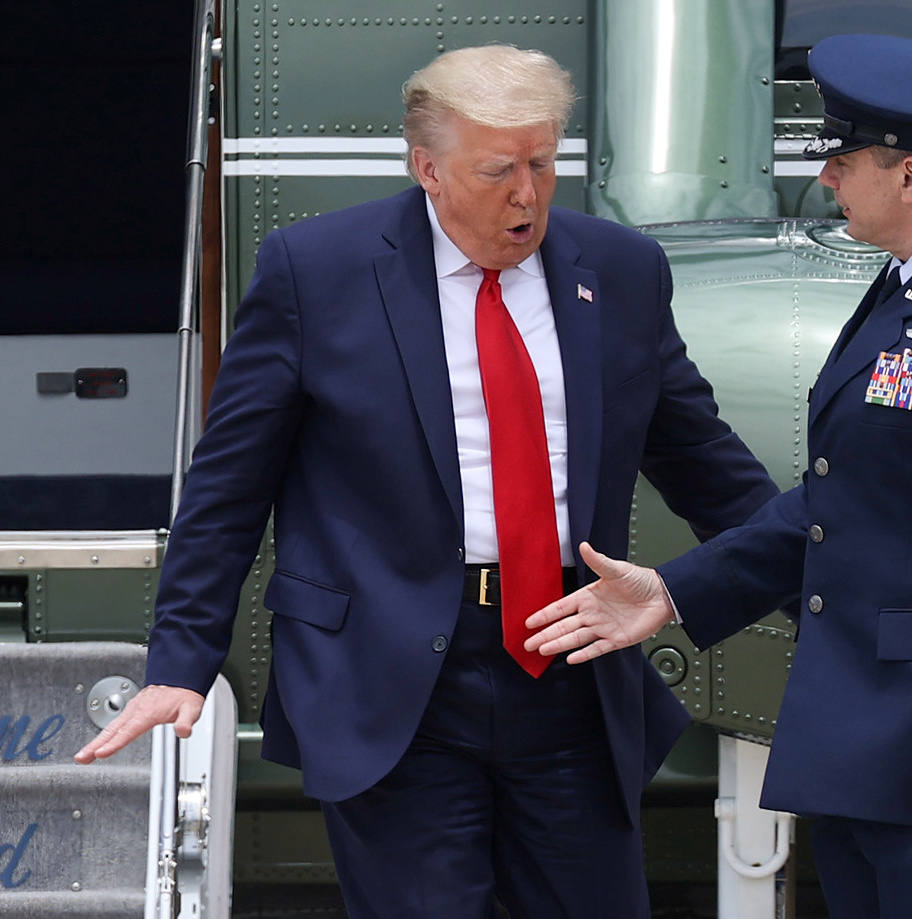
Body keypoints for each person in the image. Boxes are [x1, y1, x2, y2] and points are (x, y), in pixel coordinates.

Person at [74, 45, 777, 918]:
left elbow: (706, 463)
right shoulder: (316, 271)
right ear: (428, 170)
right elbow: (227, 488)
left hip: (570, 663)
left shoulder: (622, 271)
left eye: (542, 162)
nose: (528, 194)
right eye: (498, 171)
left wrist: (821, 578)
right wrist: (181, 660)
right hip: (390, 678)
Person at [525, 33, 912, 918]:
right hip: (870, 746)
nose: (828, 176)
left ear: (910, 177)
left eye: (842, 159)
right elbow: (850, 500)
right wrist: (676, 591)